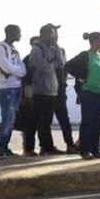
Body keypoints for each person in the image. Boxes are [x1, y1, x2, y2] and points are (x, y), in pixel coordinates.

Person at [64, 32, 100, 160]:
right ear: (94, 41)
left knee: (97, 123)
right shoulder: (85, 55)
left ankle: (95, 150)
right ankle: (85, 150)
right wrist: (80, 77)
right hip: (89, 92)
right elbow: (68, 66)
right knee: (87, 122)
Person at [0, 25, 26, 158]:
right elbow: (5, 66)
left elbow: (23, 70)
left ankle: (4, 147)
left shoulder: (14, 50)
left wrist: (14, 71)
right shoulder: (0, 47)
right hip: (5, 88)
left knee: (11, 119)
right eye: (18, 32)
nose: (20, 35)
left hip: (16, 87)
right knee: (7, 117)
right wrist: (15, 71)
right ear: (10, 33)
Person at [28, 24, 63, 155]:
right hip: (40, 90)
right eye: (52, 34)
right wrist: (53, 63)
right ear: (44, 34)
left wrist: (56, 48)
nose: (54, 37)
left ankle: (47, 147)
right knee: (38, 121)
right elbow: (43, 67)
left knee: (47, 121)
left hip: (52, 90)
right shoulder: (36, 49)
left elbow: (61, 63)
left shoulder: (53, 48)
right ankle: (35, 148)